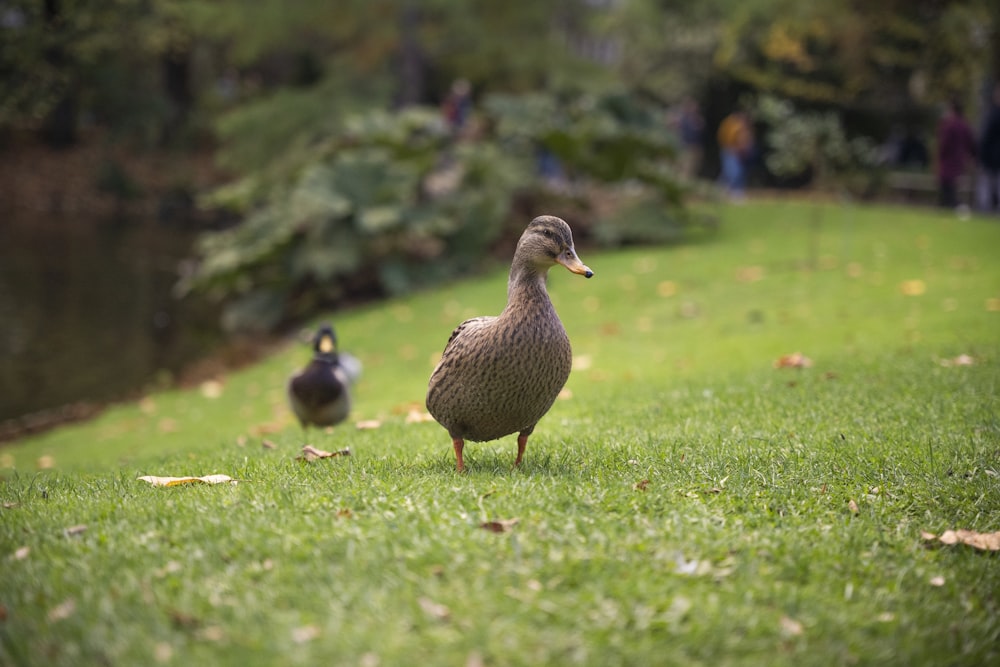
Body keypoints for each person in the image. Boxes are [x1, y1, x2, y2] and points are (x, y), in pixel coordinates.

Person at [935, 99, 977, 209]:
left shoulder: (949, 125)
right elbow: (971, 144)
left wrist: (939, 158)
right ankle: (953, 206)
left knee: (947, 189)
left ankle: (954, 207)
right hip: (959, 162)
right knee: (953, 187)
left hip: (948, 163)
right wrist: (972, 158)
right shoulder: (965, 125)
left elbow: (944, 145)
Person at [717, 110, 753, 199]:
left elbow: (747, 141)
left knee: (733, 172)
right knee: (733, 172)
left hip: (740, 153)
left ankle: (723, 191)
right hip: (730, 151)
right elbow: (725, 138)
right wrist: (731, 149)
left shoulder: (744, 127)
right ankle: (733, 192)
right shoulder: (732, 125)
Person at [976, 83, 1000, 213]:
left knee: (986, 187)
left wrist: (981, 158)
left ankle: (985, 211)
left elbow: (985, 138)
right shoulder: (992, 113)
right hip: (992, 157)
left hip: (991, 158)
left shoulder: (992, 114)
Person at [676, 97, 704, 180]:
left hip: (696, 147)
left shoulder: (697, 119)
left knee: (693, 169)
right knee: (684, 168)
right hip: (685, 146)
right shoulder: (683, 118)